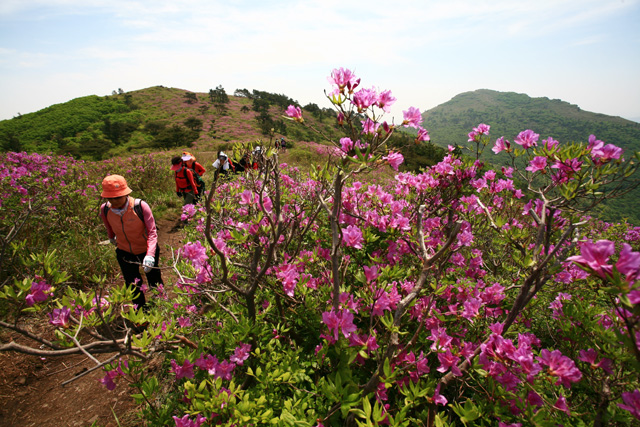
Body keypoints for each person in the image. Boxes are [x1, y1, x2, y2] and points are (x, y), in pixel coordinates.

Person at [99, 174, 163, 310]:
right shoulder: (105, 209)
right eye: (110, 198)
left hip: (146, 249)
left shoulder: (140, 206)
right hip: (124, 252)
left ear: (125, 193)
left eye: (117, 197)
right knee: (132, 284)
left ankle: (161, 306)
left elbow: (152, 232)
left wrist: (150, 254)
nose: (114, 201)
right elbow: (109, 227)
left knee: (154, 280)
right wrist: (112, 239)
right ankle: (140, 312)